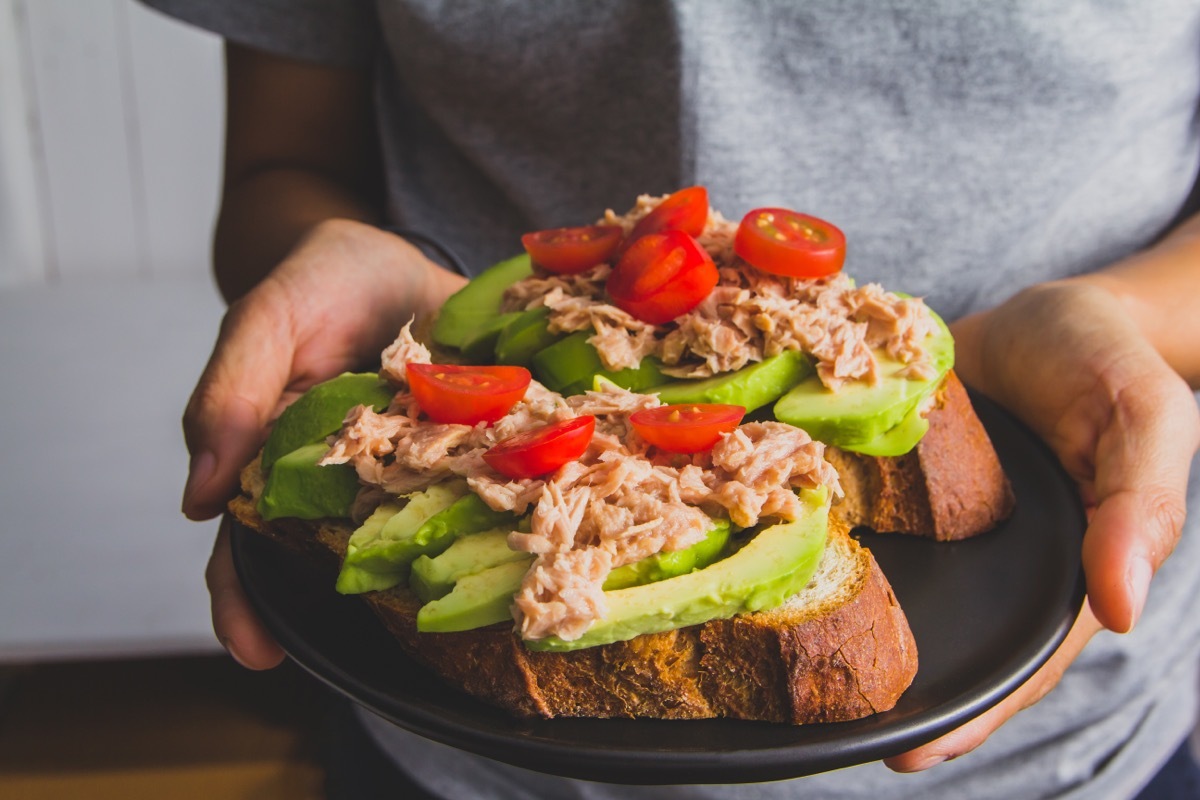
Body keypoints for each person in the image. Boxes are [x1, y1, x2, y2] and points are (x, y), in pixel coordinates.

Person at [149, 1, 1200, 797]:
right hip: (445, 756)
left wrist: (1128, 315)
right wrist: (345, 268)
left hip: (1069, 759)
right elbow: (282, 165)